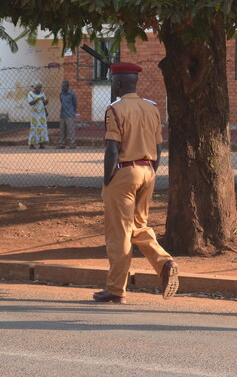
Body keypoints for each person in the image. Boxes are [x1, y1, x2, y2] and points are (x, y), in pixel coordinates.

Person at [93, 62, 178, 304]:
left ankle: (115, 290)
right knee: (138, 226)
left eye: (111, 80)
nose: (112, 84)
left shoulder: (115, 109)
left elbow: (112, 149)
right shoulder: (152, 108)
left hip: (124, 172)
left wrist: (108, 179)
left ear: (118, 83)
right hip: (147, 171)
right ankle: (165, 262)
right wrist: (151, 171)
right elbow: (159, 148)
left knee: (119, 233)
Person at [27, 82, 49, 150]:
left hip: (42, 113)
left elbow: (44, 103)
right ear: (35, 88)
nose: (39, 89)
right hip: (35, 114)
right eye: (38, 87)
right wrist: (38, 99)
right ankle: (31, 144)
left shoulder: (42, 93)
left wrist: (46, 101)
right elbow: (30, 103)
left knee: (42, 128)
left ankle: (41, 144)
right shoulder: (30, 93)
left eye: (40, 87)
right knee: (34, 128)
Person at [57, 81, 78, 149]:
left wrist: (73, 111)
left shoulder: (71, 94)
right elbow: (61, 101)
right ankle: (62, 144)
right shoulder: (61, 94)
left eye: (63, 86)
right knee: (62, 130)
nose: (62, 88)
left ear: (67, 87)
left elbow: (75, 103)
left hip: (69, 114)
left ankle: (72, 144)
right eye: (61, 86)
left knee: (71, 130)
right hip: (62, 114)